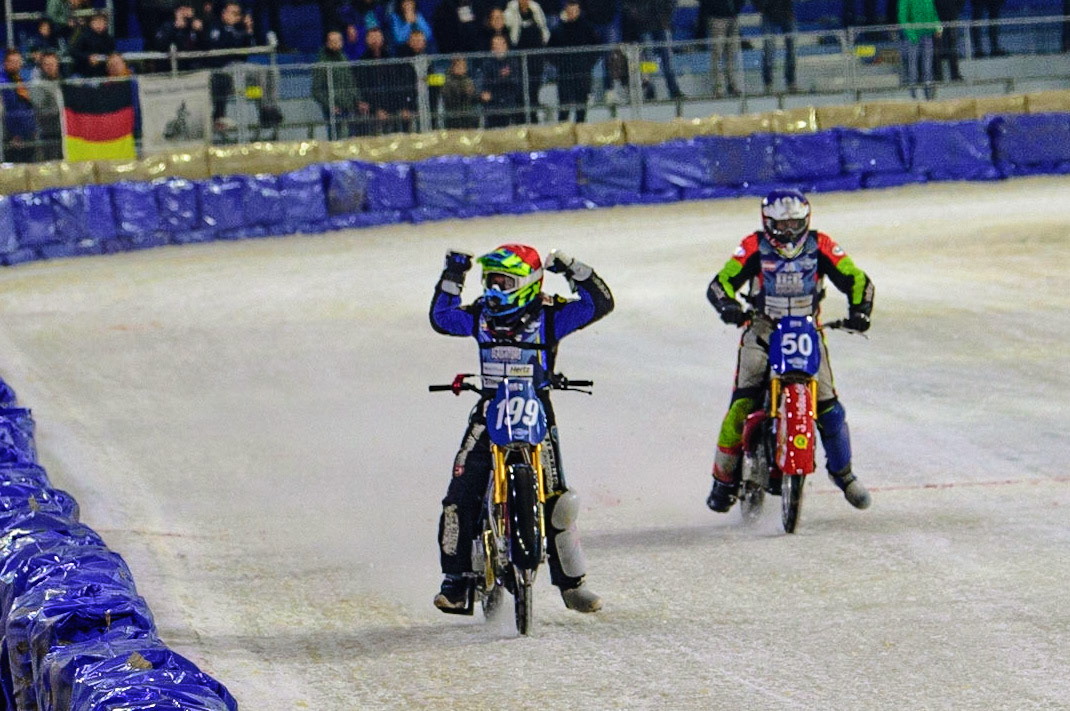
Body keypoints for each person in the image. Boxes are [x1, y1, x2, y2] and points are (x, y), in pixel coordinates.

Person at [429, 244, 614, 615]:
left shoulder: (550, 316)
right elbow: (442, 317)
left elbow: (599, 303)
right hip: (489, 410)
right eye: (491, 281)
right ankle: (456, 581)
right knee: (459, 496)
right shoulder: (480, 316)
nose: (495, 290)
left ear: (529, 283)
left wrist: (572, 267)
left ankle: (572, 584)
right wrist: (454, 273)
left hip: (535, 410)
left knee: (558, 500)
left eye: (505, 282)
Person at [705, 190, 875, 515]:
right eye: (781, 225)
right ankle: (722, 481)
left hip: (807, 331)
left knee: (830, 409)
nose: (788, 231)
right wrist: (728, 306)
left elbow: (857, 279)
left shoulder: (821, 245)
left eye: (794, 224)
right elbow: (720, 283)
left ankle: (844, 475)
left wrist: (861, 311)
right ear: (767, 223)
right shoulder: (753, 246)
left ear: (805, 221)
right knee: (741, 407)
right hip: (762, 330)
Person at [206, 1, 255, 132]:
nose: (237, 17)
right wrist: (237, 38)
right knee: (231, 74)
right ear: (224, 14)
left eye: (238, 14)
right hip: (222, 68)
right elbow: (221, 49)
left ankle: (268, 110)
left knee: (265, 72)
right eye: (233, 13)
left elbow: (245, 54)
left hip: (240, 67)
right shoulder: (215, 27)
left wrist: (249, 31)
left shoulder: (240, 29)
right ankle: (220, 117)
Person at [549, 0, 599, 122]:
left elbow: (596, 48)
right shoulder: (558, 29)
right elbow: (550, 50)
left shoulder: (587, 27)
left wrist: (588, 63)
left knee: (581, 107)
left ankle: (580, 130)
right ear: (566, 9)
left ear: (578, 10)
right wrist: (559, 64)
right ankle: (563, 131)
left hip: (582, 72)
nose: (572, 12)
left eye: (574, 9)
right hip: (564, 73)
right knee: (564, 106)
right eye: (569, 8)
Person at [313, 29, 368, 138]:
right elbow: (316, 90)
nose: (336, 43)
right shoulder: (322, 63)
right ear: (327, 43)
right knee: (336, 137)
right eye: (333, 41)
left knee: (352, 137)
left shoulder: (344, 58)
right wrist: (330, 105)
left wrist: (358, 100)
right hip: (334, 108)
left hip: (349, 105)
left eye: (338, 40)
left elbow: (351, 82)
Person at [623, 0, 682, 100]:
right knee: (649, 60)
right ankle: (651, 90)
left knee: (667, 59)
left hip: (662, 23)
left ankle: (673, 90)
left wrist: (667, 14)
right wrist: (637, 15)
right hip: (645, 24)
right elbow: (628, 4)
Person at [505, 0, 551, 122]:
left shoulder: (536, 9)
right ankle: (520, 120)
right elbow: (510, 31)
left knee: (534, 89)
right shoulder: (511, 10)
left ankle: (533, 118)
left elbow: (543, 28)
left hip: (535, 59)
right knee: (519, 90)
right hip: (518, 59)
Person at [0, 49, 38, 163]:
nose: (16, 64)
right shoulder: (3, 82)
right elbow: (10, 108)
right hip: (10, 131)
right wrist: (15, 134)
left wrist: (33, 128)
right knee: (12, 164)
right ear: (5, 63)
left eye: (18, 61)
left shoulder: (20, 79)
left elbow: (27, 105)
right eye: (12, 62)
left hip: (27, 129)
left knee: (29, 162)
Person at [480, 34, 524, 127]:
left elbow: (514, 85)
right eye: (495, 45)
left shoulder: (513, 62)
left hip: (508, 103)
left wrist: (499, 81)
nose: (497, 47)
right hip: (492, 106)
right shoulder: (487, 64)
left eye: (500, 44)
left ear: (506, 46)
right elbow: (485, 85)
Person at [699, 0, 741, 97]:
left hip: (733, 17)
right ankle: (718, 87)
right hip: (717, 18)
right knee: (717, 55)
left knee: (731, 55)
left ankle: (732, 84)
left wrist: (736, 8)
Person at [899, 0, 939, 99]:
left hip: (927, 35)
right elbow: (903, 17)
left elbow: (933, 13)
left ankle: (928, 93)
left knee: (928, 65)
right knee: (912, 65)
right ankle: (913, 94)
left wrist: (938, 27)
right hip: (913, 37)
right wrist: (911, 35)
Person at [754, 0, 796, 93]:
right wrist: (760, 6)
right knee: (768, 49)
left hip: (787, 12)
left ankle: (791, 81)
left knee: (792, 49)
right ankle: (768, 82)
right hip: (768, 14)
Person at [71, 12, 115, 77]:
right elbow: (73, 52)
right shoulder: (84, 37)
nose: (99, 24)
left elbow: (110, 54)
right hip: (83, 72)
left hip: (103, 73)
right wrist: (88, 57)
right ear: (91, 23)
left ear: (106, 24)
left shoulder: (109, 39)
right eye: (96, 21)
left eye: (101, 21)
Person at [442, 55, 479, 128]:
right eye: (459, 66)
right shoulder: (447, 81)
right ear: (453, 67)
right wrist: (464, 91)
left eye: (464, 66)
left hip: (468, 117)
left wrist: (480, 97)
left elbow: (474, 99)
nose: (462, 68)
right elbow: (449, 99)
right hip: (454, 117)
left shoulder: (468, 80)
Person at [932, 0, 963, 81]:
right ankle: (937, 74)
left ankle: (955, 74)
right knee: (937, 45)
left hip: (951, 18)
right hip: (937, 19)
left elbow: (960, 2)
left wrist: (955, 10)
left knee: (952, 45)